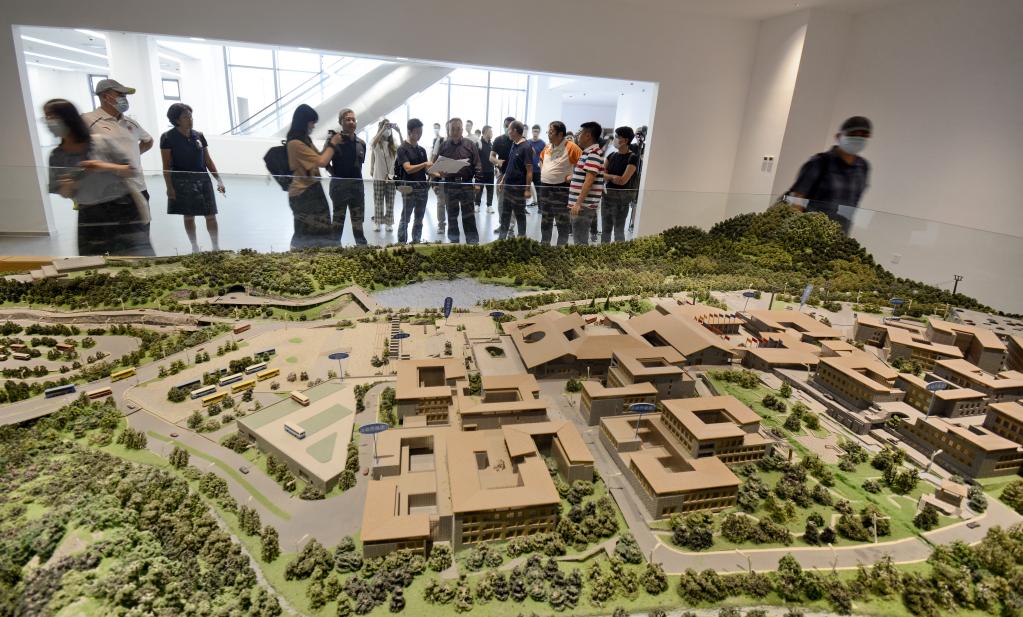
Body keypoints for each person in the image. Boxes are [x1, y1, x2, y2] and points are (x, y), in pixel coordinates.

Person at [45, 98, 153, 256]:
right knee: (94, 261)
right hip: (89, 214)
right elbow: (63, 192)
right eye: (46, 117)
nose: (49, 122)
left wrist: (102, 166)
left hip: (122, 209)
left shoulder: (101, 142)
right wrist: (70, 184)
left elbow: (131, 170)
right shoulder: (56, 156)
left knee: (135, 257)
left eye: (53, 117)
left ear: (68, 118)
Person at [786, 116, 873, 235]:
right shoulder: (819, 162)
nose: (858, 138)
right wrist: (794, 232)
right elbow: (797, 199)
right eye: (853, 134)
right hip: (811, 233)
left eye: (863, 135)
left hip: (841, 234)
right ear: (838, 136)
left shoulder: (863, 167)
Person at [82, 78, 153, 221]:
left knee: (141, 230)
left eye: (125, 96)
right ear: (105, 97)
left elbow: (148, 141)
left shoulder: (130, 122)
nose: (124, 99)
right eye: (120, 95)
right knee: (113, 232)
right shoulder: (87, 120)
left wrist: (133, 156)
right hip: (107, 192)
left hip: (137, 187)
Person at [160, 103, 225, 253]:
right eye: (185, 117)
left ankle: (216, 246)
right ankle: (194, 246)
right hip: (182, 182)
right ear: (176, 120)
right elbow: (166, 165)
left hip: (203, 180)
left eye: (190, 116)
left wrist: (219, 180)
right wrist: (169, 188)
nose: (190, 119)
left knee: (211, 215)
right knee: (188, 216)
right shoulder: (167, 137)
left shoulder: (199, 135)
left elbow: (208, 160)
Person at [286, 104, 341, 248]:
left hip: (313, 189)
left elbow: (319, 157)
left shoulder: (305, 140)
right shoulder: (295, 143)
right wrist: (333, 143)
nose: (313, 126)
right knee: (305, 231)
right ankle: (299, 254)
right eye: (312, 122)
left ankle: (315, 255)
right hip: (302, 193)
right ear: (304, 121)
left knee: (321, 228)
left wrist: (329, 143)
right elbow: (322, 161)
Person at [433, 118, 482, 244]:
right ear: (448, 130)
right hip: (450, 184)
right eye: (452, 129)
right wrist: (435, 181)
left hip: (466, 184)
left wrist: (477, 183)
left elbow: (477, 164)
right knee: (451, 216)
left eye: (458, 129)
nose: (455, 132)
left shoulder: (470, 144)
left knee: (469, 215)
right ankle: (453, 243)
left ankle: (472, 243)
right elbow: (436, 166)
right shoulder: (444, 146)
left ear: (462, 129)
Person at [325, 108, 367, 244]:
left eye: (353, 119)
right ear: (341, 122)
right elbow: (325, 162)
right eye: (348, 119)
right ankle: (334, 250)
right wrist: (335, 175)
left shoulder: (361, 144)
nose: (351, 122)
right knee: (338, 222)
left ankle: (362, 250)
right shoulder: (334, 141)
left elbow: (359, 166)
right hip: (339, 188)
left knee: (358, 223)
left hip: (357, 190)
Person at [538, 121, 581, 245]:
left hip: (561, 189)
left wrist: (573, 176)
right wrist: (545, 171)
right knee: (546, 219)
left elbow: (583, 165)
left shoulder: (571, 147)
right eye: (548, 132)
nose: (548, 134)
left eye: (551, 132)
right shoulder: (547, 147)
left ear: (560, 134)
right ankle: (544, 245)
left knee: (562, 221)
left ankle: (560, 249)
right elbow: (541, 159)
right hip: (545, 187)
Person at [568, 122, 606, 245]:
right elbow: (586, 176)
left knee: (580, 242)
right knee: (579, 239)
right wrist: (573, 178)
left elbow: (589, 181)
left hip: (584, 206)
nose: (578, 136)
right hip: (582, 205)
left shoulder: (593, 154)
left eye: (580, 133)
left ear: (588, 135)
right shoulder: (588, 153)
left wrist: (578, 203)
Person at [395, 118, 431, 244]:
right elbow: (408, 168)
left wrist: (439, 173)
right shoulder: (402, 149)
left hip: (422, 187)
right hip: (408, 187)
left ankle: (416, 241)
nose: (419, 135)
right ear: (409, 132)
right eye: (417, 132)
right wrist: (424, 164)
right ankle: (401, 243)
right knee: (406, 217)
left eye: (421, 132)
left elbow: (427, 170)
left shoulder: (422, 150)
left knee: (419, 218)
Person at [602, 126, 639, 243]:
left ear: (626, 140)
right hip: (607, 198)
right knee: (605, 231)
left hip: (621, 201)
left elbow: (623, 181)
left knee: (618, 232)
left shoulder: (632, 158)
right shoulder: (611, 155)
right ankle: (603, 252)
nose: (615, 139)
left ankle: (619, 253)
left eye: (618, 136)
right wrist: (613, 177)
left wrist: (608, 176)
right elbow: (601, 173)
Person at [497, 121, 533, 240]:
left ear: (515, 131)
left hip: (519, 188)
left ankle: (522, 238)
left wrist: (527, 189)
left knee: (519, 214)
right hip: (508, 186)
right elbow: (510, 165)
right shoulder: (514, 144)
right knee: (505, 214)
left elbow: (529, 170)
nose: (508, 132)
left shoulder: (526, 147)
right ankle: (502, 238)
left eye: (509, 129)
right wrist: (503, 179)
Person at [370, 118, 399, 233]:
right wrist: (382, 129)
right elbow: (373, 144)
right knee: (378, 201)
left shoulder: (394, 143)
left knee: (390, 201)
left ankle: (389, 223)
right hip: (379, 175)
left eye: (389, 128)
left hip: (391, 176)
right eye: (386, 127)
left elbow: (403, 148)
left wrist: (398, 131)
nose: (388, 130)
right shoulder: (377, 142)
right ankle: (377, 222)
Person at [490, 117, 515, 235]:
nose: (508, 128)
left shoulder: (520, 140)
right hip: (502, 175)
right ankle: (503, 224)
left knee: (512, 202)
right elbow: (491, 157)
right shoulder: (499, 140)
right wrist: (497, 162)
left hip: (516, 177)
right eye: (506, 126)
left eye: (510, 126)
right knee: (501, 202)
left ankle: (510, 227)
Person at [628, 125, 647, 231]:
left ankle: (634, 224)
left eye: (641, 133)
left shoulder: (647, 147)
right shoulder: (632, 147)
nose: (639, 135)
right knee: (632, 202)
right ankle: (631, 223)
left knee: (637, 202)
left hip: (642, 178)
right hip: (631, 177)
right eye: (637, 133)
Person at [475, 125, 496, 213]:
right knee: (479, 189)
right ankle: (477, 205)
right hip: (480, 171)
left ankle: (489, 206)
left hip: (490, 171)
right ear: (486, 132)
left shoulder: (491, 144)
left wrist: (496, 167)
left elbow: (494, 157)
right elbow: (475, 157)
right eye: (490, 132)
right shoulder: (478, 143)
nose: (492, 133)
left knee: (490, 189)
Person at [430, 122, 446, 233]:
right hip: (440, 179)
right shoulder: (440, 141)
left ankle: (452, 227)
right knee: (441, 203)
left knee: (453, 205)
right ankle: (441, 225)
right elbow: (434, 161)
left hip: (454, 180)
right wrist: (434, 182)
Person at [527, 124, 546, 205]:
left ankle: (540, 208)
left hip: (538, 171)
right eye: (534, 131)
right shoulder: (528, 142)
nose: (535, 133)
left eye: (537, 132)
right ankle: (524, 207)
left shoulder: (542, 143)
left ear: (539, 132)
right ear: (532, 132)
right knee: (525, 188)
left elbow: (545, 157)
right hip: (528, 170)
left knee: (539, 190)